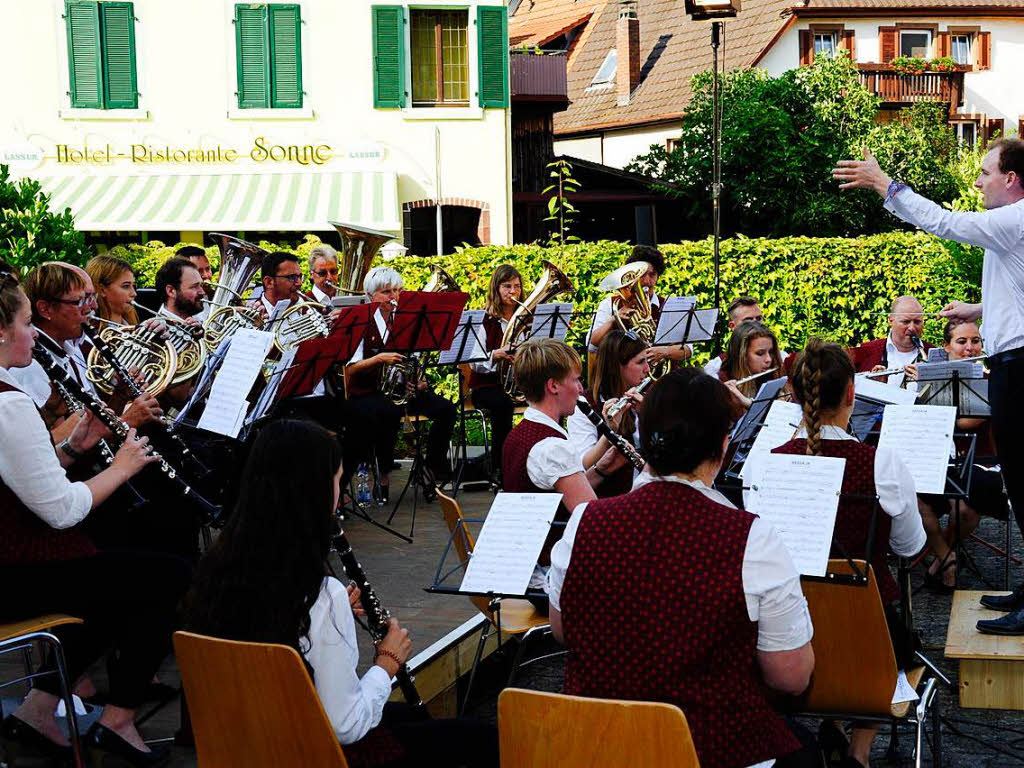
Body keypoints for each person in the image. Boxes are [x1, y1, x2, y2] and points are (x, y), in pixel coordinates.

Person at [184, 419, 497, 768]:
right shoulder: (318, 595)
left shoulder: (216, 569)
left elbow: (268, 638)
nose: (340, 495)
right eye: (337, 481)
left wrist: (326, 625)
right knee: (483, 740)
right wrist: (387, 662)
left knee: (402, 716)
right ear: (316, 492)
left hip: (252, 741)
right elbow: (346, 725)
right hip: (315, 752)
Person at [548, 368, 817, 768]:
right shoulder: (751, 538)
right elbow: (791, 678)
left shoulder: (584, 522)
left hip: (600, 744)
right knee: (803, 747)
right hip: (710, 748)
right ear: (722, 445)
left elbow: (563, 629)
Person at [0, 264, 191, 767]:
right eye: (24, 324)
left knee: (112, 571)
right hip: (13, 573)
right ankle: (118, 717)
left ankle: (40, 708)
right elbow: (61, 510)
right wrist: (124, 467)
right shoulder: (9, 404)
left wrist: (71, 448)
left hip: (13, 559)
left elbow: (27, 474)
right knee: (166, 575)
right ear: (1, 331)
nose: (31, 336)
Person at [835, 139, 1024, 633]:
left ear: (1011, 179)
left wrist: (883, 184)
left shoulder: (1014, 219)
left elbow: (945, 222)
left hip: (1019, 367)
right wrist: (978, 311)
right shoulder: (1013, 228)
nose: (978, 181)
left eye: (985, 172)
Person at [772, 339, 926, 767]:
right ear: (852, 393)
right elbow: (910, 547)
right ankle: (858, 753)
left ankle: (831, 730)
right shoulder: (880, 463)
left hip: (790, 637)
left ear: (794, 392)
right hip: (868, 635)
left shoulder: (769, 463)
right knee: (894, 635)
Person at [502, 338, 627, 612]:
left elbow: (555, 494)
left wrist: (602, 470)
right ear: (553, 386)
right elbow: (593, 518)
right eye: (576, 380)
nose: (581, 389)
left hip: (526, 564)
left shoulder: (520, 433)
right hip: (548, 575)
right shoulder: (552, 446)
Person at [343, 267, 457, 499]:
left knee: (446, 410)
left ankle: (430, 468)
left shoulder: (405, 321)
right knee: (388, 411)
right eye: (386, 292)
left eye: (397, 291)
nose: (394, 297)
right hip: (366, 392)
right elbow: (350, 369)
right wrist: (378, 359)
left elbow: (412, 360)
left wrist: (419, 381)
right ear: (370, 295)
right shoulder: (360, 321)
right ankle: (382, 476)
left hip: (399, 390)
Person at [917, 319, 1007, 590]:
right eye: (961, 342)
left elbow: (966, 423)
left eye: (975, 341)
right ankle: (946, 556)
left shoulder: (993, 382)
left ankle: (939, 558)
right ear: (946, 347)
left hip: (982, 466)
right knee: (913, 498)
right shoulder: (930, 382)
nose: (970, 348)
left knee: (966, 511)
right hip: (941, 464)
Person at [566, 329, 648, 497]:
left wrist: (649, 416)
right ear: (617, 366)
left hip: (647, 496)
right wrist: (608, 431)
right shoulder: (585, 406)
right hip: (610, 501)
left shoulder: (647, 398)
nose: (647, 369)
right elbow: (583, 465)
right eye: (641, 362)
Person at [588, 245, 691, 370]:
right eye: (642, 275)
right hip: (621, 381)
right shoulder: (610, 304)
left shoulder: (668, 305)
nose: (647, 281)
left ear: (658, 277)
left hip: (662, 383)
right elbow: (591, 346)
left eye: (652, 275)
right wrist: (614, 319)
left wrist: (665, 352)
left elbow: (688, 349)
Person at [467, 265, 522, 478]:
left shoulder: (524, 319)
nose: (513, 292)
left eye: (517, 286)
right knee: (503, 406)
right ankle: (501, 468)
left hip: (515, 384)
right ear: (496, 289)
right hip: (486, 387)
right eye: (507, 286)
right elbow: (475, 362)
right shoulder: (484, 320)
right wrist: (497, 354)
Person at [847, 296, 932, 387]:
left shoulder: (933, 353)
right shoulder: (866, 351)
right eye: (906, 322)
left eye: (917, 322)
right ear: (891, 321)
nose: (912, 328)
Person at [703, 296, 790, 378]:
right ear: (732, 326)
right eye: (748, 320)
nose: (756, 324)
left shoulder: (781, 357)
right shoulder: (715, 369)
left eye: (759, 319)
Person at [718, 321, 784, 409]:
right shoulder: (722, 381)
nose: (769, 359)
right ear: (742, 356)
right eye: (760, 353)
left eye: (771, 352)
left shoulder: (771, 379)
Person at [87, 255, 138, 326]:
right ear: (102, 290)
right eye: (126, 286)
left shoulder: (131, 327)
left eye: (133, 286)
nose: (134, 293)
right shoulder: (87, 333)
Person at [175, 245, 213, 320]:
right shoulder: (183, 301)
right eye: (199, 271)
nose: (206, 275)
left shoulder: (213, 296)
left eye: (208, 269)